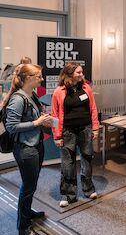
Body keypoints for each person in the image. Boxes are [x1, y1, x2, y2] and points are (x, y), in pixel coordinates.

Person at [5, 64, 52, 235]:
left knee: (31, 185)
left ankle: (27, 212)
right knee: (28, 186)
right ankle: (22, 226)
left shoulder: (31, 95)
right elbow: (11, 126)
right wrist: (36, 123)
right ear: (28, 78)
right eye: (38, 76)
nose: (41, 79)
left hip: (35, 144)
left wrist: (43, 120)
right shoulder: (18, 99)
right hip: (25, 148)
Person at [51, 62, 99, 207]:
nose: (81, 74)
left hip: (85, 129)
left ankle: (88, 189)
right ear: (69, 73)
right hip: (67, 132)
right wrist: (57, 136)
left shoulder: (86, 88)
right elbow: (54, 116)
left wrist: (95, 128)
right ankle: (68, 194)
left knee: (87, 159)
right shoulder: (58, 91)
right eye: (78, 72)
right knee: (67, 163)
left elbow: (93, 109)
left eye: (81, 72)